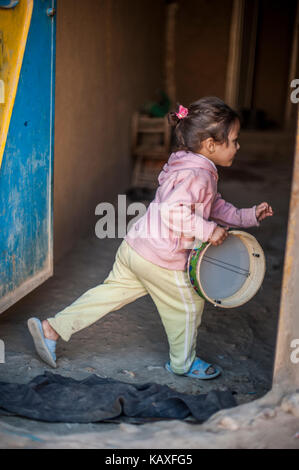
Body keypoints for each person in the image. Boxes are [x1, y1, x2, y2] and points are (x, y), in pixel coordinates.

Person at [28, 96, 273, 378]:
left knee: (107, 294)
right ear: (210, 145)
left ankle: (52, 329)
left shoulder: (187, 164)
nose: (238, 146)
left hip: (136, 248)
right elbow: (173, 211)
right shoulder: (199, 175)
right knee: (189, 305)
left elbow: (213, 205)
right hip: (162, 258)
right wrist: (208, 230)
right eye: (233, 140)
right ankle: (183, 364)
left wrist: (248, 216)